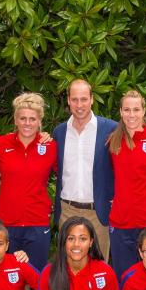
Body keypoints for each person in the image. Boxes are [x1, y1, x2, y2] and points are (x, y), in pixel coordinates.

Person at [107, 91, 146, 281]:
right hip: (121, 222)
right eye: (127, 109)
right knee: (125, 279)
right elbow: (110, 176)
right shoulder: (112, 141)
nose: (131, 114)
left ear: (144, 111)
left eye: (136, 109)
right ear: (120, 112)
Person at [53, 79, 116, 259]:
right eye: (74, 99)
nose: (79, 105)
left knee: (99, 269)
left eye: (83, 99)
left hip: (99, 211)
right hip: (67, 210)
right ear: (68, 101)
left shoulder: (111, 129)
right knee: (67, 268)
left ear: (92, 99)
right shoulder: (59, 132)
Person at [0, 92, 58, 272]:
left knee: (37, 278)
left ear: (39, 121)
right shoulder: (1, 144)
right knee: (7, 278)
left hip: (37, 223)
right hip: (8, 223)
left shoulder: (51, 146)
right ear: (15, 120)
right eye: (23, 118)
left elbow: (66, 174)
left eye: (32, 119)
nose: (27, 123)